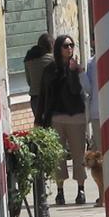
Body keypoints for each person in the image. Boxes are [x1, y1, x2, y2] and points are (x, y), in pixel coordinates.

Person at [38, 34, 87, 206]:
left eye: (71, 45)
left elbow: (76, 91)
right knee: (57, 156)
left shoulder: (76, 69)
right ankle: (60, 191)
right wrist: (39, 118)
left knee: (78, 154)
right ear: (58, 48)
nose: (69, 49)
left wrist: (74, 72)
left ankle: (81, 189)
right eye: (65, 46)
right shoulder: (50, 70)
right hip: (56, 117)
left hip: (76, 117)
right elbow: (43, 95)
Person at [24, 34, 54, 126]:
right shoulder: (53, 59)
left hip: (35, 98)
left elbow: (29, 81)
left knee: (41, 129)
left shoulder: (29, 60)